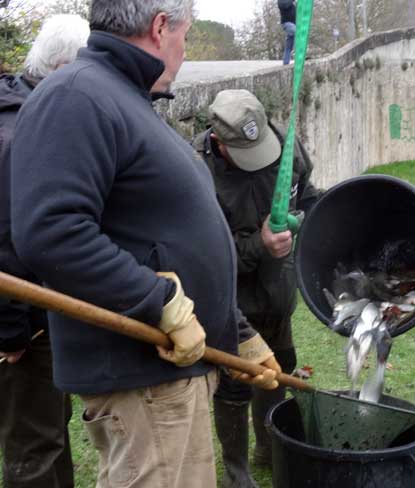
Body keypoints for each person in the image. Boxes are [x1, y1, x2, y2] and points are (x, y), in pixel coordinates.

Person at [9, 2, 280, 487]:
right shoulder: (76, 96)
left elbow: (167, 236)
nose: (183, 49)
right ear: (160, 27)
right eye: (185, 34)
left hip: (171, 377)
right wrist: (158, 303)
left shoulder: (127, 99)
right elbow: (52, 231)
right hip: (143, 383)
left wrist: (236, 332)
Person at [193, 89, 321, 488]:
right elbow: (201, 252)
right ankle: (237, 471)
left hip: (277, 292)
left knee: (279, 367)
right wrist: (259, 245)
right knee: (234, 384)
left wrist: (306, 224)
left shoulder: (287, 148)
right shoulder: (195, 171)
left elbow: (310, 198)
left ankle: (269, 447)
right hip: (230, 302)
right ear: (217, 140)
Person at [0, 14, 89, 488]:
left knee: (50, 431)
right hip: (23, 325)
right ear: (62, 67)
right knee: (33, 446)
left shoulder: (32, 112)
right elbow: (5, 239)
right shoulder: (19, 132)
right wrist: (12, 331)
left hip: (41, 315)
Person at [277, 0, 296, 65]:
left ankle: (285, 63)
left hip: (293, 24)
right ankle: (298, 53)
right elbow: (285, 5)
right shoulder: (281, 1)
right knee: (297, 33)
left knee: (288, 46)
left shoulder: (291, 3)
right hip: (287, 24)